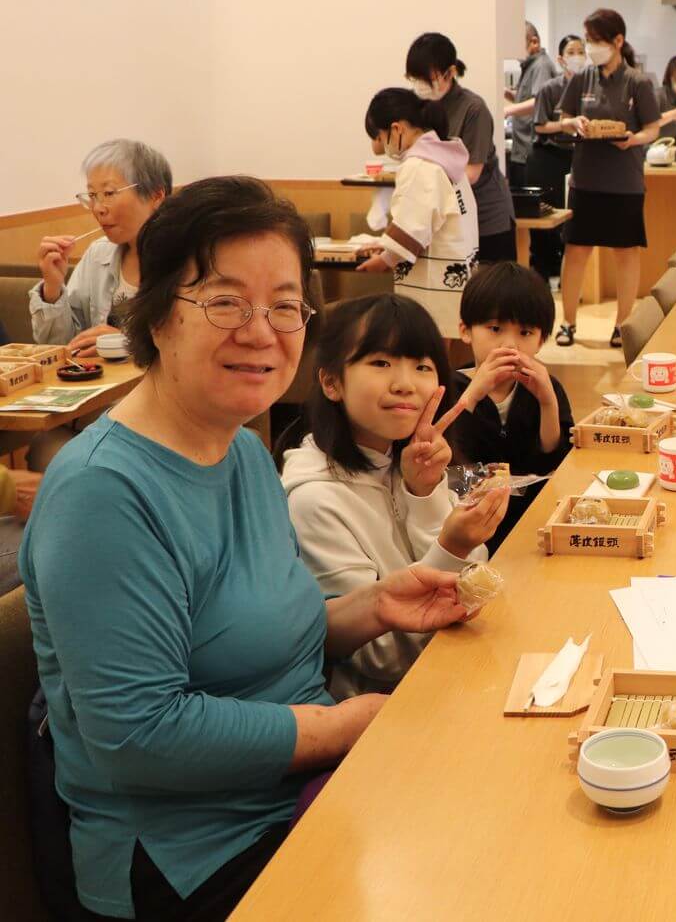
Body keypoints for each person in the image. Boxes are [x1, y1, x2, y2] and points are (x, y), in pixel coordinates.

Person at [19, 176, 489, 920]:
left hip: (301, 793)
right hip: (192, 854)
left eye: (284, 305)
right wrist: (345, 724)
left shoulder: (240, 449)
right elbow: (139, 735)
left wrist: (374, 605)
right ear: (159, 313)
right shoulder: (101, 493)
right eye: (226, 301)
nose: (262, 331)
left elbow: (257, 633)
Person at [282, 294, 507, 700]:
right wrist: (451, 546)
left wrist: (423, 494)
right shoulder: (313, 499)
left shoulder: (418, 459)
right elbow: (381, 657)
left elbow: (480, 585)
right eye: (381, 363)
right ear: (331, 382)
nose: (404, 383)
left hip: (459, 672)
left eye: (421, 366)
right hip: (386, 712)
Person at [553, 8, 662, 348]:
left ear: (618, 41)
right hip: (585, 180)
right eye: (588, 40)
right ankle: (568, 323)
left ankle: (622, 325)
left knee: (626, 254)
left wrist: (632, 139)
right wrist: (573, 124)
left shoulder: (638, 82)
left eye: (597, 40)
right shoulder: (582, 78)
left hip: (624, 182)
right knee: (576, 251)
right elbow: (564, 116)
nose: (591, 47)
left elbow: (652, 129)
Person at [449, 261, 574, 552]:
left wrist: (547, 401)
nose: (510, 345)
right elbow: (448, 461)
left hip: (534, 522)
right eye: (495, 329)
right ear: (466, 331)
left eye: (525, 333)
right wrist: (474, 393)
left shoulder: (547, 386)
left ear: (541, 340)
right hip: (470, 527)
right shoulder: (450, 388)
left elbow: (553, 459)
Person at [355, 88, 479, 334]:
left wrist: (385, 259)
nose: (378, 146)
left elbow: (413, 228)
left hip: (432, 281)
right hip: (456, 269)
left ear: (396, 129)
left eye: (379, 136)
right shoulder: (444, 157)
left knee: (426, 347)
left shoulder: (419, 165)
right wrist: (386, 246)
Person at [33, 138, 171, 356]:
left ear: (156, 195)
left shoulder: (185, 256)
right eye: (92, 196)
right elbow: (62, 346)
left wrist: (125, 343)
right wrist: (53, 288)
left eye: (109, 193)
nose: (98, 209)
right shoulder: (98, 253)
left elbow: (194, 346)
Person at [405, 32, 516, 263]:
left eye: (429, 79)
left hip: (486, 218)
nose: (421, 86)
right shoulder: (419, 108)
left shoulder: (473, 109)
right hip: (445, 219)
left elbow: (471, 173)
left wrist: (425, 176)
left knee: (490, 293)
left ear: (451, 72)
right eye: (416, 79)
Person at [504, 22, 562, 189]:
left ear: (534, 42)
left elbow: (539, 101)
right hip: (522, 151)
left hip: (530, 151)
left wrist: (508, 110)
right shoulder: (530, 66)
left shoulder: (541, 65)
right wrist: (508, 94)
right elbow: (529, 97)